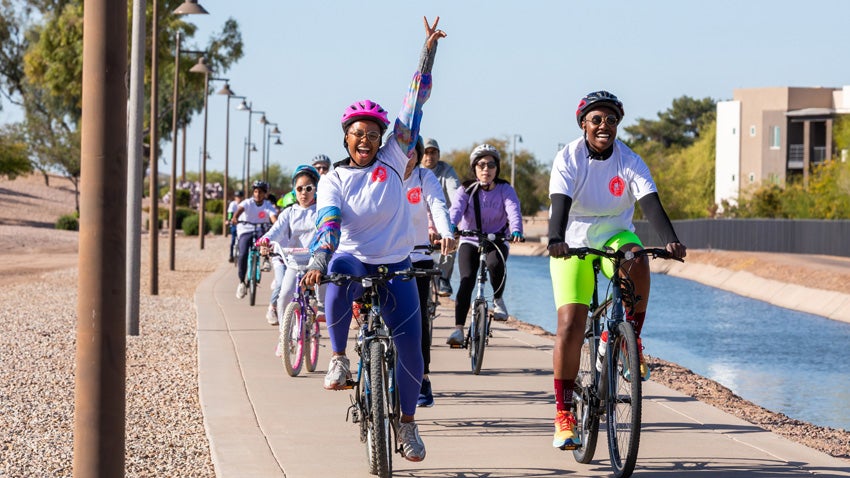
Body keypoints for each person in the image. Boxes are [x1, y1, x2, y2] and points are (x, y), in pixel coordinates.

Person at [301, 17, 446, 463]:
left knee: (411, 348)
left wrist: (427, 52)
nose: (365, 139)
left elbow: (414, 102)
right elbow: (328, 224)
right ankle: (341, 357)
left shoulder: (395, 157)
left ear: (383, 138)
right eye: (357, 133)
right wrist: (317, 261)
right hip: (354, 258)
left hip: (398, 261)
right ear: (346, 137)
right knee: (340, 271)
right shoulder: (335, 178)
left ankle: (406, 424)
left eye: (372, 133)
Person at [547, 90, 687, 450]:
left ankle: (630, 340)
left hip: (615, 233)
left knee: (638, 257)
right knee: (571, 324)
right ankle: (564, 415)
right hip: (574, 237)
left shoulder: (630, 160)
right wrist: (555, 238)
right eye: (596, 119)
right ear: (583, 125)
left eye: (611, 120)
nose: (604, 126)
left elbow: (650, 203)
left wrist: (670, 240)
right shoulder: (569, 158)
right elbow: (559, 204)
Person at [446, 144, 524, 346]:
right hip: (469, 240)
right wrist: (451, 227)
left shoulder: (505, 189)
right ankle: (458, 330)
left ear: (497, 168)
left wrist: (516, 230)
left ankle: (498, 301)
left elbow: (513, 210)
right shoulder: (466, 189)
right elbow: (455, 210)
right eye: (481, 165)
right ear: (475, 168)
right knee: (466, 280)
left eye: (491, 165)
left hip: (496, 239)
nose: (486, 169)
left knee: (495, 265)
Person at [403, 137, 455, 408]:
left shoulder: (424, 177)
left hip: (419, 256)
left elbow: (437, 205)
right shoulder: (382, 175)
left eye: (413, 153)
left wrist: (445, 232)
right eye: (402, 152)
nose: (407, 157)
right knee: (373, 312)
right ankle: (372, 363)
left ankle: (422, 378)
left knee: (419, 319)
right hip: (384, 257)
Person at [258, 165, 321, 331]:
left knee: (324, 296)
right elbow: (276, 230)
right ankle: (284, 336)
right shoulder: (289, 212)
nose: (304, 193)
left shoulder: (321, 211)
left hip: (315, 261)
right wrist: (265, 240)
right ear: (294, 190)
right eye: (299, 188)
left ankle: (319, 312)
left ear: (315, 189)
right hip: (293, 261)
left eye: (308, 188)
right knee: (284, 296)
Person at [420, 137, 461, 297]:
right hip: (422, 220)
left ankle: (443, 277)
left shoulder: (447, 171)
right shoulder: (415, 171)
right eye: (426, 152)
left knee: (452, 238)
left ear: (438, 154)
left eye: (433, 152)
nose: (429, 156)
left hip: (446, 218)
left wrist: (452, 225)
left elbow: (456, 196)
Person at [230, 180, 278, 299]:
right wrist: (235, 218)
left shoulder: (267, 205)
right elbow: (240, 209)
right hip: (245, 229)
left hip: (260, 229)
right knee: (243, 253)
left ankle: (266, 259)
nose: (257, 194)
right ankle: (241, 282)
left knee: (265, 238)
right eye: (255, 191)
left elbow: (273, 217)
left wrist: (277, 225)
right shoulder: (248, 202)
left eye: (260, 192)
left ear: (265, 194)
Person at [227, 189, 244, 263]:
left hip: (242, 224)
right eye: (237, 197)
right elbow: (230, 213)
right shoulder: (232, 204)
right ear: (235, 198)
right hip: (234, 223)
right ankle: (231, 255)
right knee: (233, 240)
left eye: (240, 197)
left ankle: (242, 255)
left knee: (242, 240)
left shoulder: (244, 203)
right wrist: (229, 220)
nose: (238, 198)